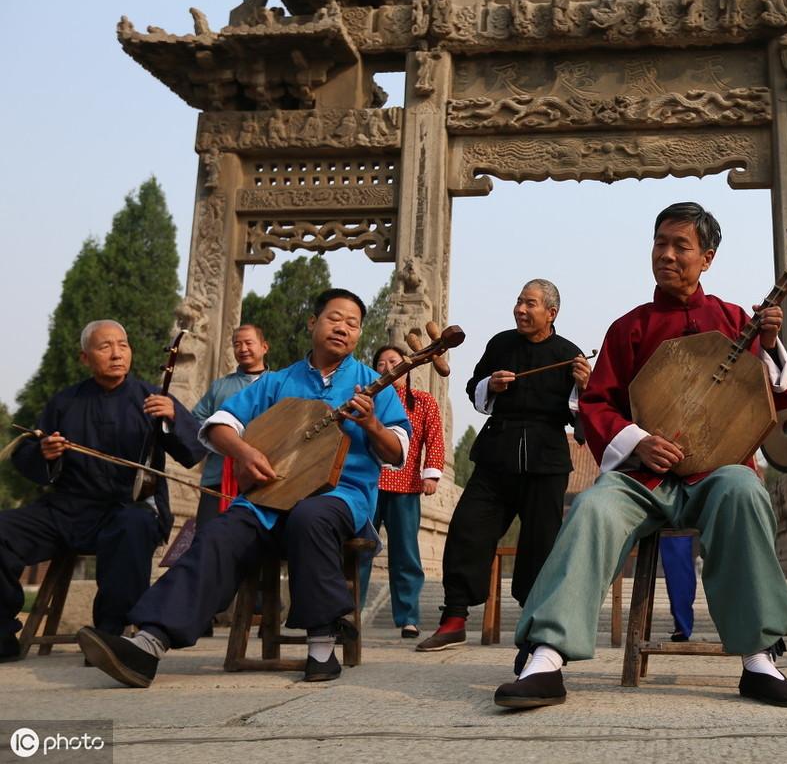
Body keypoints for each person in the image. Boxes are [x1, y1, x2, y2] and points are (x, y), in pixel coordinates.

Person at [493, 201, 787, 709]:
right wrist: (637, 440)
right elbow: (597, 404)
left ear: (707, 258)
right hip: (643, 478)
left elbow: (779, 399)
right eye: (659, 243)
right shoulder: (629, 328)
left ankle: (759, 659)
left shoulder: (733, 321)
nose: (666, 254)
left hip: (716, 474)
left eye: (680, 246)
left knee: (745, 489)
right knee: (593, 507)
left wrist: (769, 346)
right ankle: (546, 657)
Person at [76, 289, 410, 686]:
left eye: (353, 324)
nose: (343, 328)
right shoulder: (277, 382)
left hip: (341, 498)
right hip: (270, 498)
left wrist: (371, 424)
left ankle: (322, 645)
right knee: (221, 531)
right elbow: (217, 425)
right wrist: (245, 453)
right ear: (313, 323)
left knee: (311, 514)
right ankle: (148, 645)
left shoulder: (374, 385)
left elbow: (397, 452)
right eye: (334, 318)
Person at [1, 320, 204, 662]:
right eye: (105, 346)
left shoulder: (153, 399)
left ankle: (111, 634)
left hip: (128, 508)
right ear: (85, 357)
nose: (116, 354)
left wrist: (172, 419)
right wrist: (45, 453)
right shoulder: (65, 402)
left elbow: (193, 451)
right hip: (67, 510)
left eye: (122, 345)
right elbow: (30, 457)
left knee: (133, 525)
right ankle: (3, 633)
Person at [417, 280, 589, 652]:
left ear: (551, 313)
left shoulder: (570, 354)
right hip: (497, 454)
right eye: (518, 301)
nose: (520, 310)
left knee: (541, 542)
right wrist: (490, 385)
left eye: (530, 304)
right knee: (467, 529)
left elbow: (582, 423)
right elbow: (472, 389)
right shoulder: (500, 344)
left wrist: (585, 389)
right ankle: (454, 617)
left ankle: (535, 622)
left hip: (545, 459)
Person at [359, 345, 445, 639]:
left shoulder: (423, 402)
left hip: (405, 485)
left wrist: (431, 474)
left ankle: (408, 616)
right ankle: (349, 612)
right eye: (380, 363)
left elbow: (434, 438)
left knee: (405, 553)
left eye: (393, 361)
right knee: (360, 547)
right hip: (367, 483)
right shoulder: (366, 400)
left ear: (406, 367)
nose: (386, 367)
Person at [190, 324, 270, 525]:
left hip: (264, 476)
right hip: (217, 478)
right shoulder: (220, 386)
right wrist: (226, 439)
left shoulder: (277, 384)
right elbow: (195, 421)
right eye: (237, 344)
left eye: (248, 343)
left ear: (264, 347)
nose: (243, 349)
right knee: (208, 538)